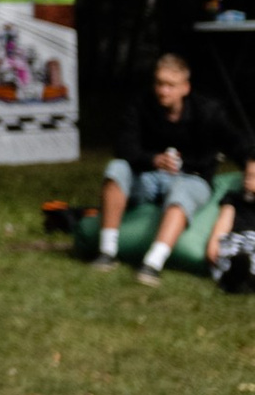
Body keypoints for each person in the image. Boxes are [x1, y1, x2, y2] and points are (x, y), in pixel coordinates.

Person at [96, 49, 231, 274]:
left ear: (185, 87)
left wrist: (250, 160)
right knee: (116, 168)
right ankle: (106, 252)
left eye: (170, 85)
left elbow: (234, 141)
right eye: (159, 83)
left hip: (191, 178)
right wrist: (154, 159)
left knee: (182, 192)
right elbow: (123, 147)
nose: (162, 90)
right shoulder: (141, 105)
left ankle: (153, 263)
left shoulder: (207, 111)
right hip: (148, 177)